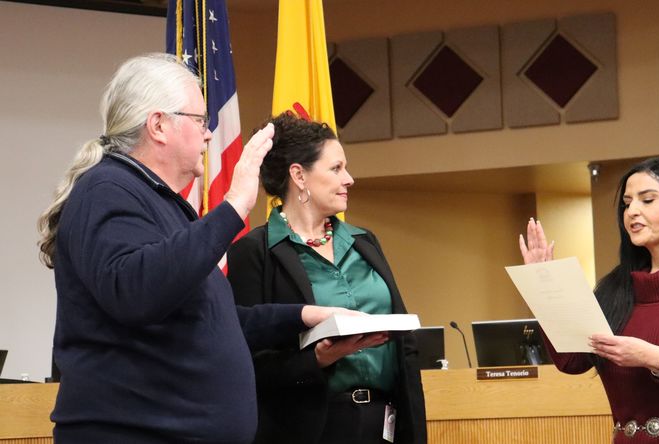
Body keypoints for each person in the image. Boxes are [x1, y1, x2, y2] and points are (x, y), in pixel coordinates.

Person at [37, 53, 346, 443]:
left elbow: (207, 318)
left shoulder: (158, 200)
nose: (208, 134)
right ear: (159, 125)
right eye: (200, 120)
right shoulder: (106, 189)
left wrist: (303, 316)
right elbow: (137, 292)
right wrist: (234, 204)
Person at [226, 113, 427, 444]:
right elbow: (247, 366)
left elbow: (405, 350)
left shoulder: (365, 242)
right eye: (336, 169)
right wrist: (317, 359)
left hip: (384, 424)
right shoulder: (254, 252)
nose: (349, 179)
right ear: (299, 176)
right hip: (310, 428)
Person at [518, 156, 659, 443]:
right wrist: (542, 282)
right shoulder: (617, 286)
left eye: (647, 200)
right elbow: (572, 360)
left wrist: (649, 356)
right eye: (627, 203)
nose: (632, 212)